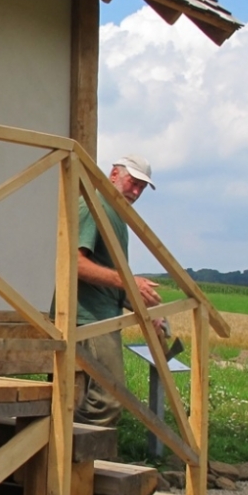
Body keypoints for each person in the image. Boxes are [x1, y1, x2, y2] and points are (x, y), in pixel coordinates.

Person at [74, 154, 161, 427]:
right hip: (87, 318)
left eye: (141, 188)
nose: (135, 192)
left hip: (103, 317)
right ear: (113, 175)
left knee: (90, 399)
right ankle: (59, 455)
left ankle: (67, 459)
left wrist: (145, 306)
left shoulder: (115, 215)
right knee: (108, 400)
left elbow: (110, 277)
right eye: (132, 183)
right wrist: (128, 281)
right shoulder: (93, 206)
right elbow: (74, 264)